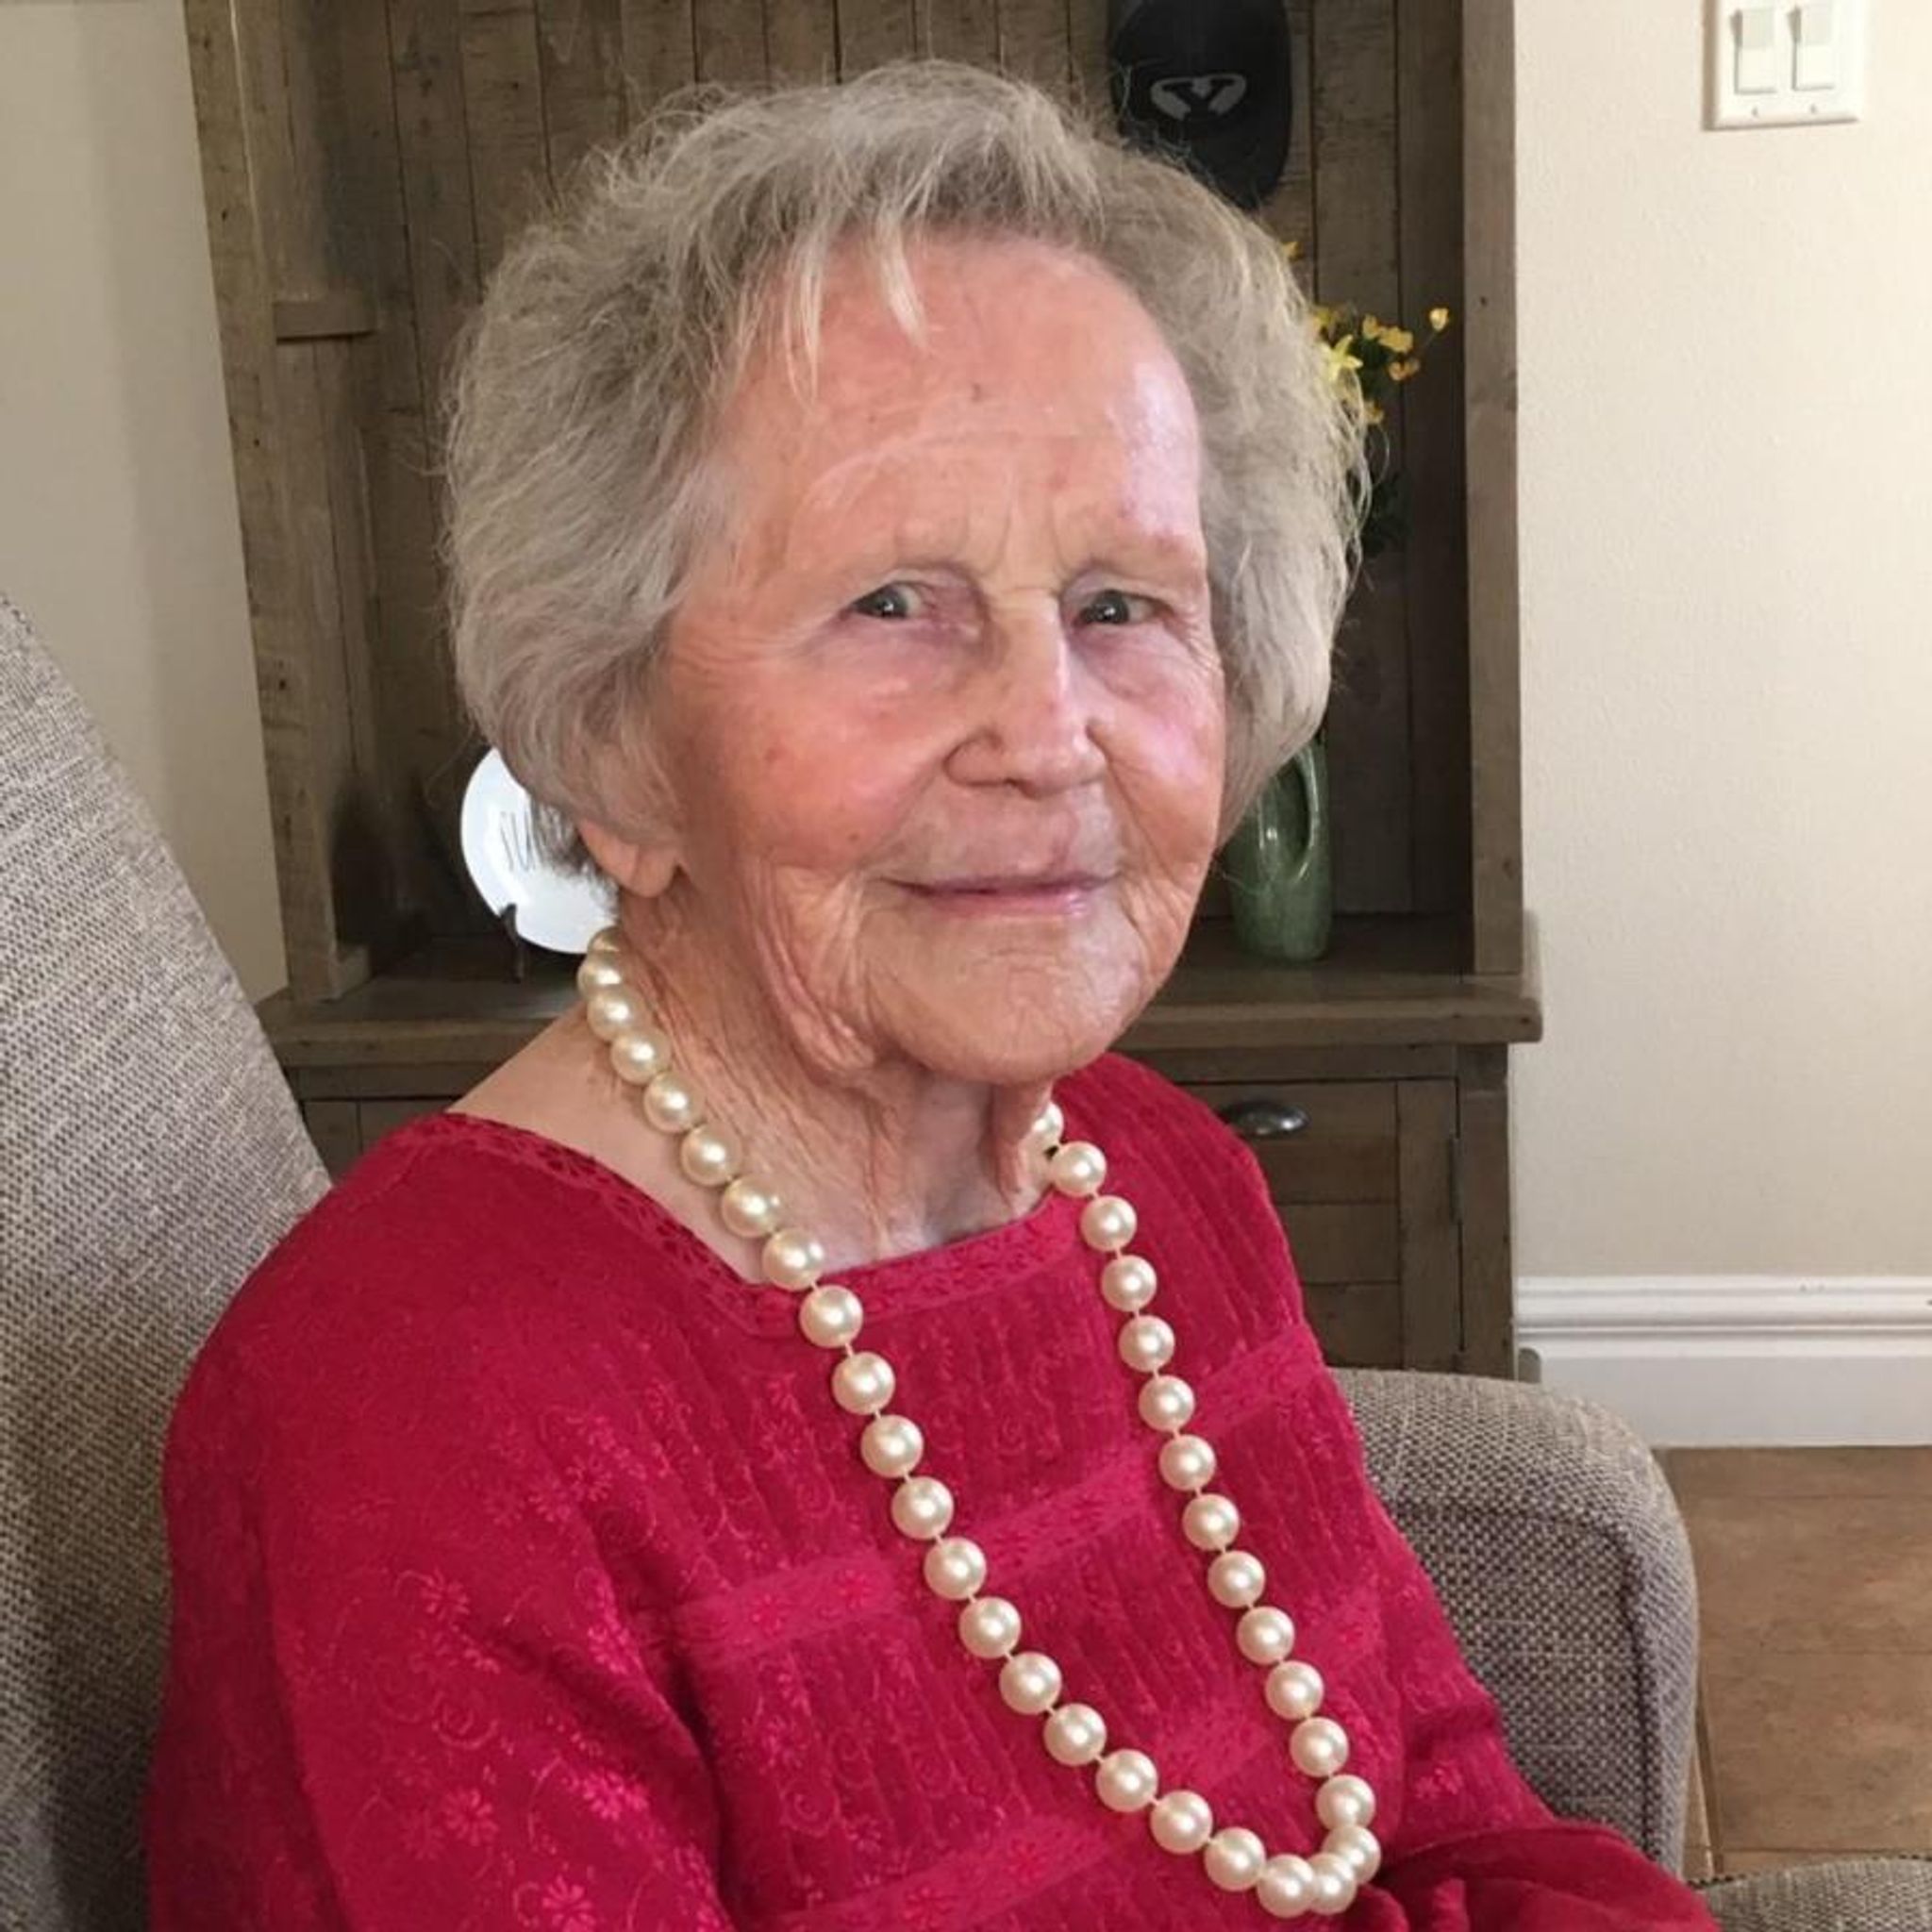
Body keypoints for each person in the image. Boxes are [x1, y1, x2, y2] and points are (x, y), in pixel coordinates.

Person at [144, 61, 1716, 1930]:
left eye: (1123, 604)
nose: (1049, 735)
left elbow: (1440, 1817)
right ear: (612, 740)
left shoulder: (1157, 1182)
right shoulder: (415, 1420)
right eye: (892, 602)